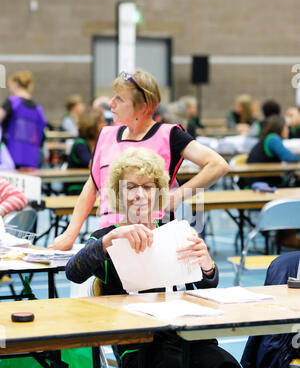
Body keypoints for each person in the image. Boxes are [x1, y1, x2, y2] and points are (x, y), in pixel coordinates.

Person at [65, 147, 265, 368]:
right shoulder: (106, 241)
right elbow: (73, 271)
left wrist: (206, 264)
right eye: (131, 187)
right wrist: (109, 239)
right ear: (119, 194)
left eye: (147, 187)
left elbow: (207, 283)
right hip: (142, 349)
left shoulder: (174, 231)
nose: (139, 195)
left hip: (187, 337)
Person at [50, 68, 229, 251]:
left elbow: (218, 165)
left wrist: (176, 196)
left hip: (152, 237)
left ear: (143, 106)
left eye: (119, 99)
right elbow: (91, 187)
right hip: (109, 235)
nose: (111, 104)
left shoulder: (169, 135)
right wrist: (69, 235)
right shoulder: (106, 135)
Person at [0, 71, 47, 169]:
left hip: (10, 157)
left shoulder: (12, 102)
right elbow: (42, 134)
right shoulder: (38, 109)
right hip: (32, 160)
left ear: (15, 84)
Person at [238, 114, 299, 189]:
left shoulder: (267, 138)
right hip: (259, 185)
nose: (288, 130)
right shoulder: (273, 139)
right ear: (280, 127)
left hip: (256, 181)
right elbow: (289, 158)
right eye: (286, 127)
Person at [66, 108, 106, 195]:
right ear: (92, 124)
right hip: (78, 188)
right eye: (102, 122)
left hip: (94, 187)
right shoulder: (80, 144)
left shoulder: (99, 143)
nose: (105, 124)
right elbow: (92, 164)